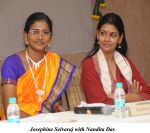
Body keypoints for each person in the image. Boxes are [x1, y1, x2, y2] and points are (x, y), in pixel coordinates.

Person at [1, 12, 76, 119]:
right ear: (25, 36)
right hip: (17, 124)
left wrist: (58, 110)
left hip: (46, 123)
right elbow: (11, 113)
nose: (40, 37)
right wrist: (41, 121)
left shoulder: (55, 62)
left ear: (50, 38)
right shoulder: (11, 64)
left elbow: (54, 102)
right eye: (35, 32)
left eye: (45, 32)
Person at [81, 13, 150, 105]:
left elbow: (147, 94)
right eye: (103, 33)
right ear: (97, 35)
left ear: (120, 38)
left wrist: (116, 96)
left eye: (113, 35)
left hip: (127, 115)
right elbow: (99, 102)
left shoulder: (126, 63)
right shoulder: (89, 65)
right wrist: (133, 97)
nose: (107, 39)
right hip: (103, 118)